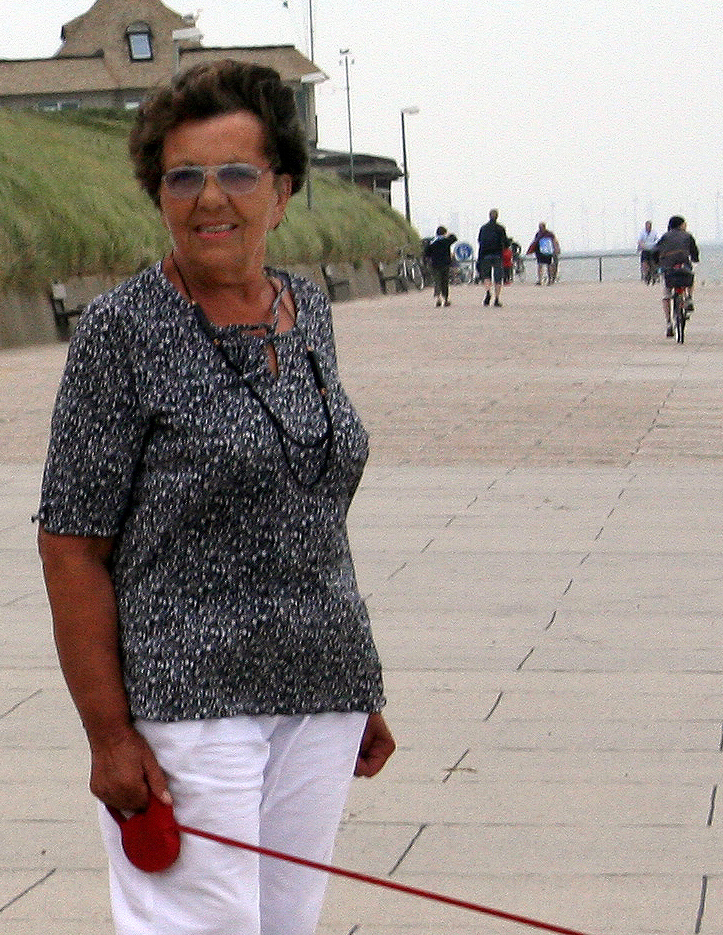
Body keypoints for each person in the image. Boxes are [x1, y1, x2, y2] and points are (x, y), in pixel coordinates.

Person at [36, 60, 395, 935]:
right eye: (182, 177)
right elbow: (70, 544)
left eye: (236, 172)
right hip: (186, 700)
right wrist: (108, 734)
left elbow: (309, 504)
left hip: (319, 686)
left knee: (286, 924)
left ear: (282, 190)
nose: (209, 199)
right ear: (158, 194)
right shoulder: (122, 331)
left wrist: (356, 677)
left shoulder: (305, 309)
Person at [656, 215, 699, 338]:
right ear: (681, 225)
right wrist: (695, 259)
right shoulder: (688, 236)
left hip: (668, 269)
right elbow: (694, 252)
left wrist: (658, 264)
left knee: (666, 295)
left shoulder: (664, 237)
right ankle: (689, 298)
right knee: (690, 278)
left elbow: (656, 251)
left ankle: (669, 323)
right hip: (683, 267)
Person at [478, 208, 508, 306]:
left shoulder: (483, 228)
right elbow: (505, 242)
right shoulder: (500, 228)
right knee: (498, 278)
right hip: (497, 255)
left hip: (485, 255)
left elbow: (480, 241)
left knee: (486, 276)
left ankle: (488, 292)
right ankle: (497, 299)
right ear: (497, 216)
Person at [424, 225, 457, 306]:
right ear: (444, 233)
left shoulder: (432, 242)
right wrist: (448, 234)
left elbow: (427, 253)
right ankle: (446, 299)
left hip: (435, 264)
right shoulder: (446, 241)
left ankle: (438, 298)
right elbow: (454, 238)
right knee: (445, 282)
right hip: (445, 264)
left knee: (437, 281)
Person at [637, 220, 660, 284]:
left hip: (653, 249)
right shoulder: (642, 232)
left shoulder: (654, 232)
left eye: (649, 226)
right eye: (647, 226)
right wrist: (641, 245)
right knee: (644, 262)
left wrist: (656, 245)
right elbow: (639, 240)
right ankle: (645, 274)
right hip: (645, 249)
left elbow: (657, 239)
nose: (648, 227)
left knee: (655, 262)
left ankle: (655, 274)